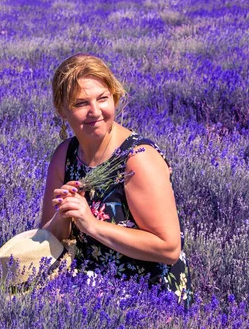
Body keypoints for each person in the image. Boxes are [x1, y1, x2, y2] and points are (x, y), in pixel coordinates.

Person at [40, 53, 191, 305]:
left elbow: (169, 249)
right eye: (80, 103)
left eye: (103, 98)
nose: (95, 111)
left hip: (147, 293)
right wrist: (63, 215)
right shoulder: (64, 156)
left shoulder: (137, 158)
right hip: (88, 284)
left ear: (115, 97)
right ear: (62, 111)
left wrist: (92, 225)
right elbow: (46, 240)